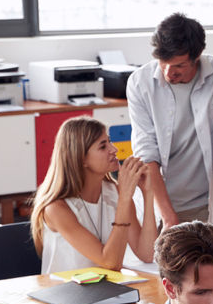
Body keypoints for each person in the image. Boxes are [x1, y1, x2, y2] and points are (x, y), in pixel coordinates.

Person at [126, 12, 213, 257]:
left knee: (210, 281)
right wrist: (169, 218)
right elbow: (146, 154)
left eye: (180, 65)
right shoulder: (139, 83)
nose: (169, 72)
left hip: (205, 204)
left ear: (197, 57)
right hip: (160, 205)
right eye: (163, 63)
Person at [30, 116, 157, 274]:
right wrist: (125, 198)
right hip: (67, 293)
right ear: (81, 158)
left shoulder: (116, 192)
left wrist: (148, 193)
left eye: (109, 141)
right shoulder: (56, 209)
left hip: (106, 290)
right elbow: (110, 263)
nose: (114, 149)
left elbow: (147, 254)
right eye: (103, 146)